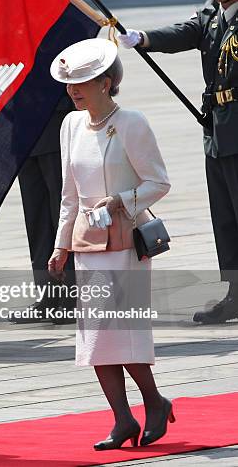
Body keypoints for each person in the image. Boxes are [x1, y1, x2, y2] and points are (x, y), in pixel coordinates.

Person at [48, 39, 174, 450]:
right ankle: (122, 419)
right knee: (97, 336)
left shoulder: (132, 122)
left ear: (107, 82)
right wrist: (61, 245)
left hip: (125, 240)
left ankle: (153, 401)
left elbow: (158, 181)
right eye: (71, 83)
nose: (74, 89)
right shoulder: (70, 125)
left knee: (124, 330)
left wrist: (122, 200)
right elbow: (68, 193)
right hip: (87, 242)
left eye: (83, 81)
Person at [118, 0, 238, 324]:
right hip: (218, 130)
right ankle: (235, 293)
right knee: (226, 218)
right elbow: (182, 33)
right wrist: (143, 38)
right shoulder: (211, 16)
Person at [15, 95, 77, 324]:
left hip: (55, 120)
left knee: (62, 212)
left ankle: (73, 296)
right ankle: (49, 295)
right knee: (36, 219)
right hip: (22, 124)